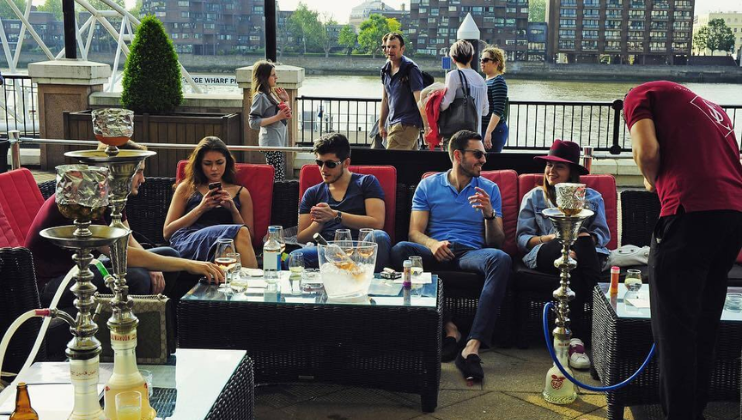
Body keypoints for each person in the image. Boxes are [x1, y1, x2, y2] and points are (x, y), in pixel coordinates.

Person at [624, 81, 742, 420]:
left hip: (689, 212)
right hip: (733, 216)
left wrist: (652, 179)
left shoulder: (639, 95)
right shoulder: (715, 109)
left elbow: (646, 152)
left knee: (674, 333)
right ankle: (697, 411)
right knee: (704, 325)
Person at [26, 141, 225, 309]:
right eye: (138, 172)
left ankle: (160, 327)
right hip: (52, 283)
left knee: (169, 256)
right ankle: (128, 337)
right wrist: (191, 265)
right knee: (137, 276)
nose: (143, 179)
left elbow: (127, 239)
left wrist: (154, 265)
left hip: (85, 268)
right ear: (117, 170)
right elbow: (122, 254)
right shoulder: (83, 196)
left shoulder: (112, 195)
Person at [390, 130, 511, 382]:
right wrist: (432, 244)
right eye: (477, 154)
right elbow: (415, 233)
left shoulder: (489, 189)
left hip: (471, 253)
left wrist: (489, 214)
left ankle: (472, 346)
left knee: (501, 259)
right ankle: (449, 328)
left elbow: (496, 243)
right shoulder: (429, 185)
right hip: (437, 251)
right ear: (458, 155)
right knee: (400, 250)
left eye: (484, 155)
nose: (483, 160)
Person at [516, 139, 610, 369]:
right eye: (549, 165)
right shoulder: (534, 197)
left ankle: (570, 337)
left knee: (580, 248)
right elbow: (523, 240)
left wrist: (582, 240)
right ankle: (600, 326)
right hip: (544, 251)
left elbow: (603, 235)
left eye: (559, 166)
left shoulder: (593, 198)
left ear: (571, 172)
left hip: (582, 256)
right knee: (574, 245)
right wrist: (557, 238)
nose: (551, 170)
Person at [293, 133, 391, 272]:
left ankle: (358, 275)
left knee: (379, 237)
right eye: (319, 163)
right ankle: (351, 272)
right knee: (296, 256)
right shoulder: (312, 193)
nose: (323, 169)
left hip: (361, 249)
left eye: (330, 164)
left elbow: (377, 223)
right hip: (328, 250)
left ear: (346, 163)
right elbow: (302, 238)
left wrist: (334, 215)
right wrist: (319, 221)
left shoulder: (366, 182)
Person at [164, 136, 258, 269]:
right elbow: (167, 232)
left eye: (219, 163)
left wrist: (233, 210)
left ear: (227, 162)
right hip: (189, 241)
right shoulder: (187, 188)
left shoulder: (241, 193)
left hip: (224, 244)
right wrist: (201, 208)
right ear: (199, 165)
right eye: (207, 164)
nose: (214, 168)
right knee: (235, 236)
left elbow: (250, 238)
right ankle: (254, 285)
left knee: (228, 245)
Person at [438, 40, 489, 150]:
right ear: (471, 57)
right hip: (476, 135)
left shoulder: (454, 75)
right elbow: (485, 111)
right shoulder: (481, 79)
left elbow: (444, 105)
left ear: (453, 59)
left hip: (458, 136)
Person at [379, 32, 425, 150]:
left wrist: (428, 126)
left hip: (408, 123)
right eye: (388, 47)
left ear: (402, 49)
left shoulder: (410, 69)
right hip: (394, 122)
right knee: (409, 165)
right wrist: (381, 125)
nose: (390, 50)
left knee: (393, 162)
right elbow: (385, 100)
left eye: (394, 47)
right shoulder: (385, 70)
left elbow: (419, 99)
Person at [248, 60, 292, 181]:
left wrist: (286, 100)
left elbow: (286, 115)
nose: (276, 77)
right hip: (271, 142)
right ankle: (276, 199)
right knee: (276, 177)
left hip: (277, 140)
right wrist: (277, 117)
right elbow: (253, 122)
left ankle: (278, 198)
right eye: (273, 75)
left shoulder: (270, 94)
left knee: (278, 175)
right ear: (264, 77)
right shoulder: (261, 96)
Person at [479, 46, 509, 152]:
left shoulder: (498, 81)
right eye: (481, 60)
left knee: (491, 163)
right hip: (485, 128)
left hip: (494, 130)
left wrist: (488, 132)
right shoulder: (485, 81)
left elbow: (498, 110)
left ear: (496, 63)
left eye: (486, 60)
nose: (482, 62)